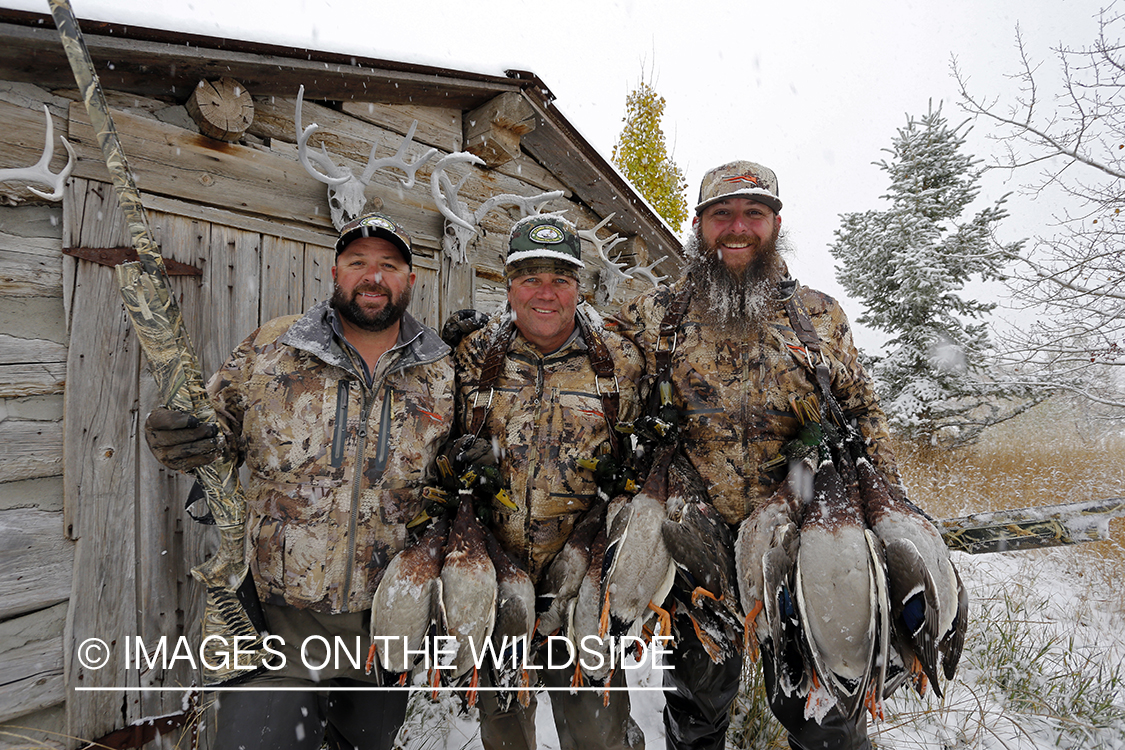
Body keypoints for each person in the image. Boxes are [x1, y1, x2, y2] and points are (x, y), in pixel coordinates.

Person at [611, 161, 905, 750]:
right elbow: (599, 385)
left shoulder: (820, 317)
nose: (737, 228)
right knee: (696, 709)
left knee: (824, 715)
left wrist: (883, 503)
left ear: (776, 222)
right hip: (694, 544)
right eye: (721, 214)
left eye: (753, 213)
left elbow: (866, 413)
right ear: (698, 225)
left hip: (801, 538)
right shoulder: (656, 315)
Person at [144, 212, 454, 750]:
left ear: (410, 278)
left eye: (388, 265)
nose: (372, 277)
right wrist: (176, 436)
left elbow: (456, 477)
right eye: (358, 263)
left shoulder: (442, 371)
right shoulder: (273, 347)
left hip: (386, 623)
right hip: (274, 615)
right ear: (336, 272)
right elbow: (213, 434)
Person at [452, 215, 646, 750]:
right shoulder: (471, 357)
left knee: (597, 733)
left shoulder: (620, 362)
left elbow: (657, 448)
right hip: (494, 578)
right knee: (505, 732)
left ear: (579, 287)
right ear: (506, 283)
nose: (545, 293)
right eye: (529, 277)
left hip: (584, 582)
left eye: (560, 279)